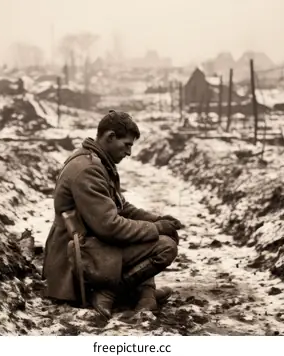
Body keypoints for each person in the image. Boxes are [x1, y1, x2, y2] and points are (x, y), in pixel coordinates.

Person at [42, 110, 183, 319]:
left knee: (155, 235)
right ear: (110, 137)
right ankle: (111, 292)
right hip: (77, 256)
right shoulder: (88, 169)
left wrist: (156, 220)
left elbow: (121, 206)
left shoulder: (96, 161)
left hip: (92, 246)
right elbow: (110, 226)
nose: (129, 153)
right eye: (126, 145)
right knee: (164, 246)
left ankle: (142, 294)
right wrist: (155, 229)